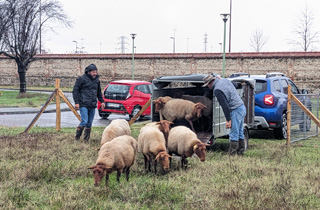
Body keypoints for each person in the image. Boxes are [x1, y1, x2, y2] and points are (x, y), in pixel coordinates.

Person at [202, 74, 246, 155]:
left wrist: (228, 120)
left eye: (207, 84)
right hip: (242, 107)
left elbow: (225, 105)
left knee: (234, 133)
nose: (208, 86)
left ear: (211, 82)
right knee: (239, 132)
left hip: (235, 109)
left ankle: (232, 156)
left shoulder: (217, 90)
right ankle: (240, 153)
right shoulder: (225, 80)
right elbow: (235, 85)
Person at [72, 64, 105, 142]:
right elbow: (75, 91)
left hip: (92, 104)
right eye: (93, 72)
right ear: (88, 72)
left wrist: (102, 101)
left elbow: (98, 92)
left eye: (96, 72)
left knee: (89, 123)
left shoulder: (97, 80)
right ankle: (77, 138)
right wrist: (77, 102)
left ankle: (86, 140)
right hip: (83, 104)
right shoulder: (81, 79)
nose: (95, 73)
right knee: (84, 121)